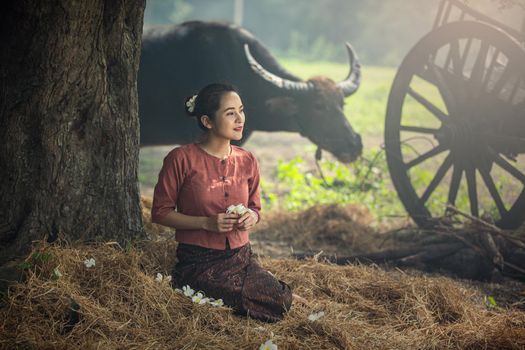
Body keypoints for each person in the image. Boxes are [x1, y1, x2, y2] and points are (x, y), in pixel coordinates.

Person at [151, 82, 306, 322]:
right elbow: (160, 212)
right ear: (207, 121)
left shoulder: (248, 160)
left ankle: (272, 292)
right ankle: (270, 294)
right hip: (199, 261)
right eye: (230, 113)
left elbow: (255, 209)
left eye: (241, 110)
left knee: (277, 299)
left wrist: (250, 218)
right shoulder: (180, 159)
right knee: (261, 299)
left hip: (241, 257)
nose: (240, 119)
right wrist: (205, 223)